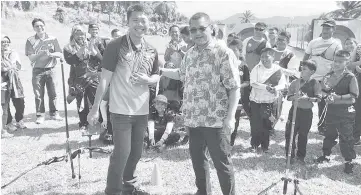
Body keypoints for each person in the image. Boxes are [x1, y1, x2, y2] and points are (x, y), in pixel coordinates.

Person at [160, 12, 240, 195]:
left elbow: (234, 87)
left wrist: (230, 117)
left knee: (222, 163)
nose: (197, 33)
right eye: (193, 29)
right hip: (194, 120)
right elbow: (181, 74)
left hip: (216, 120)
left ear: (211, 29)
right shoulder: (190, 54)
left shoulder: (223, 53)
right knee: (198, 161)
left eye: (202, 28)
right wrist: (160, 72)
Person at [87, 4, 161, 195]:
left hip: (142, 110)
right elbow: (104, 79)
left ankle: (129, 187)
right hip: (120, 110)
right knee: (121, 153)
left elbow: (156, 77)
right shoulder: (115, 46)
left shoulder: (152, 49)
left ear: (148, 23)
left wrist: (149, 79)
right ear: (127, 22)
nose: (139, 24)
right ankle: (112, 190)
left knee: (136, 153)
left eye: (143, 20)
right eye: (135, 20)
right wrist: (95, 108)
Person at [316, 50, 359, 174]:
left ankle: (348, 161)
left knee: (346, 137)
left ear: (347, 62)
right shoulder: (328, 75)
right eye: (335, 61)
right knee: (329, 134)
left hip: (345, 112)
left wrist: (338, 98)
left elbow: (354, 96)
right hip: (331, 111)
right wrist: (326, 96)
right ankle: (326, 155)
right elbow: (322, 91)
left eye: (340, 62)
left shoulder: (350, 77)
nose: (337, 64)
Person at [302, 19, 342, 135]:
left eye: (328, 28)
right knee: (305, 100)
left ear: (333, 30)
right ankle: (303, 126)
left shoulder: (336, 44)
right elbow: (305, 56)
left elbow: (338, 61)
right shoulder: (313, 42)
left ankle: (322, 127)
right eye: (324, 27)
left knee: (323, 104)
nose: (325, 30)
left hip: (325, 79)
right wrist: (303, 71)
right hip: (311, 78)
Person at [63, 25, 104, 135]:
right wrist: (80, 51)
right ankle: (83, 123)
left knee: (97, 99)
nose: (80, 36)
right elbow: (70, 61)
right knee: (81, 102)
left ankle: (100, 122)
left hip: (93, 76)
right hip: (78, 78)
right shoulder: (68, 47)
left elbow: (101, 60)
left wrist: (94, 52)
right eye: (77, 33)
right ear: (73, 34)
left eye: (82, 33)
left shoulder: (92, 44)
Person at [25, 18, 63, 124]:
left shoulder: (52, 38)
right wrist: (41, 53)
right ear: (33, 28)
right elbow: (31, 58)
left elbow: (59, 54)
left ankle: (54, 113)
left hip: (51, 69)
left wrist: (51, 54)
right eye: (37, 26)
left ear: (44, 26)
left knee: (53, 93)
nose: (39, 27)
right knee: (38, 94)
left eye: (41, 25)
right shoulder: (30, 40)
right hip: (37, 71)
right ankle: (40, 115)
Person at [249, 48, 287, 153]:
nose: (264, 59)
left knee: (267, 124)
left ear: (273, 57)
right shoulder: (257, 68)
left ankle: (265, 146)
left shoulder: (278, 69)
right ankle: (254, 145)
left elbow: (283, 84)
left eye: (267, 56)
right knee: (256, 123)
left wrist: (276, 89)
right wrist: (265, 87)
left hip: (270, 101)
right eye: (262, 57)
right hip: (256, 100)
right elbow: (253, 83)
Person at [285, 60, 321, 165]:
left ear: (312, 71)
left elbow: (318, 99)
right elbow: (288, 97)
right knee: (290, 133)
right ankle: (289, 155)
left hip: (306, 113)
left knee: (303, 135)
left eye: (304, 69)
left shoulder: (315, 83)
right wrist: (294, 97)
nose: (302, 70)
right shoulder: (295, 82)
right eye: (301, 68)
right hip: (294, 111)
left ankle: (301, 156)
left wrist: (308, 98)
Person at [228, 38, 251, 146]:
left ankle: (231, 142)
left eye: (234, 50)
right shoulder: (226, 64)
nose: (231, 52)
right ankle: (223, 141)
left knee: (235, 119)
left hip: (238, 97)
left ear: (240, 51)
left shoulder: (243, 65)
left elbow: (247, 82)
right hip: (226, 96)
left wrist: (238, 86)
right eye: (230, 50)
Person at [1, 36, 26, 131]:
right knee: (5, 102)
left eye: (7, 41)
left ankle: (19, 120)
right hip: (2, 80)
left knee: (20, 100)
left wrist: (11, 66)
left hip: (14, 79)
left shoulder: (13, 52)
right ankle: (9, 122)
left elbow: (18, 65)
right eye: (3, 42)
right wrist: (8, 67)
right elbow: (3, 68)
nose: (5, 43)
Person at [160, 25, 186, 102]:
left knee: (182, 92)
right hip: (172, 71)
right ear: (169, 33)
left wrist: (177, 50)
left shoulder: (184, 43)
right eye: (172, 32)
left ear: (179, 33)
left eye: (176, 32)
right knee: (172, 90)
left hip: (182, 71)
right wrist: (170, 51)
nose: (174, 34)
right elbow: (166, 59)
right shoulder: (168, 45)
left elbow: (187, 58)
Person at [343, 38, 361, 145]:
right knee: (357, 109)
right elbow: (349, 64)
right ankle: (356, 136)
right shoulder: (359, 47)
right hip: (359, 81)